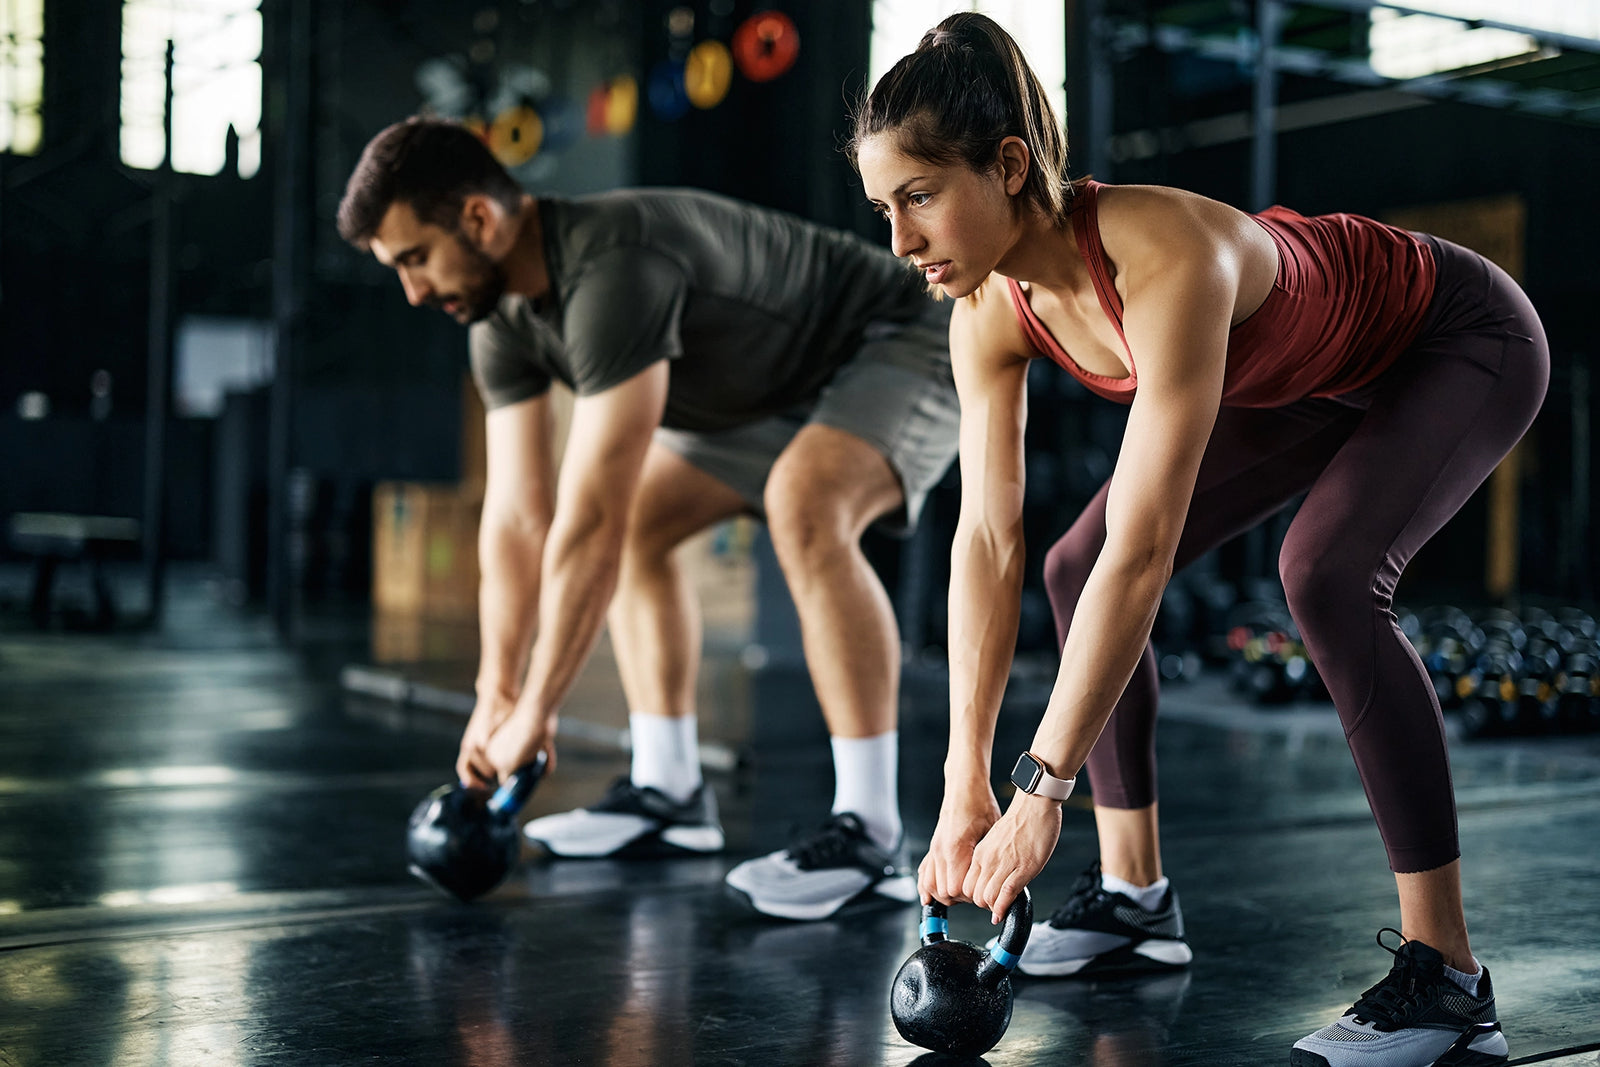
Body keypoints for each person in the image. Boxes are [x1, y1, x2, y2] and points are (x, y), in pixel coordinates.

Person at [851, 13, 1546, 1067]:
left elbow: (1146, 546)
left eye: (918, 197)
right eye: (882, 208)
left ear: (1005, 165)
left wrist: (1042, 785)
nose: (900, 240)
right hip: (1312, 377)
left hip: (1457, 339)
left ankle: (1447, 978)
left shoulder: (1164, 249)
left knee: (1323, 572)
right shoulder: (989, 309)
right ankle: (1134, 897)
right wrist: (963, 786)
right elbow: (985, 540)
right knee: (1066, 562)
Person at [337, 118, 961, 921]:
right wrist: (496, 693)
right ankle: (667, 792)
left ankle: (873, 836)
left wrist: (537, 710)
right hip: (768, 395)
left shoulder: (611, 267)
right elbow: (519, 516)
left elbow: (583, 519)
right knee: (641, 526)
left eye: (414, 260)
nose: (414, 291)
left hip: (900, 339)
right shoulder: (495, 318)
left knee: (804, 503)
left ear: (479, 221)